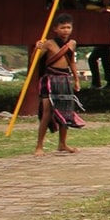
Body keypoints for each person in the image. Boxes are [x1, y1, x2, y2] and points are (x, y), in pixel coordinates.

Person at [30, 13, 87, 155]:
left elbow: (72, 61)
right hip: (50, 80)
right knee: (47, 113)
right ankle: (39, 146)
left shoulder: (72, 43)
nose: (66, 30)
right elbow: (33, 62)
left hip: (65, 80)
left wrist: (76, 79)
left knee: (65, 111)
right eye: (63, 28)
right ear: (55, 29)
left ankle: (62, 144)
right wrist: (37, 49)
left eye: (68, 27)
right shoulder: (48, 44)